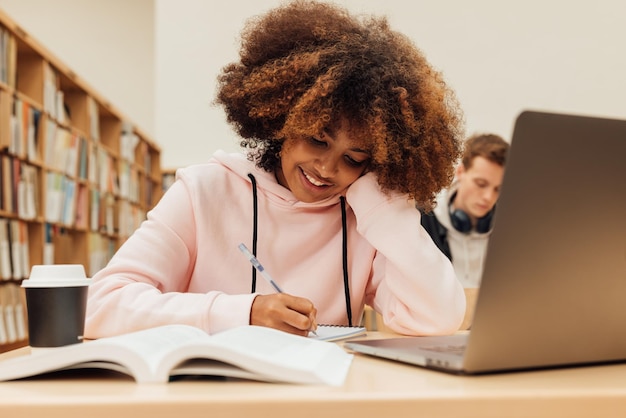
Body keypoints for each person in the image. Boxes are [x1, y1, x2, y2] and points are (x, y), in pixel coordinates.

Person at [84, 0, 466, 339]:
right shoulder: (204, 191)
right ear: (283, 119)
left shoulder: (363, 217)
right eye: (318, 138)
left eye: (354, 158)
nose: (326, 168)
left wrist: (383, 204)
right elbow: (99, 306)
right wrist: (242, 312)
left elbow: (437, 319)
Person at [419, 133, 509, 328]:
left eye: (497, 189)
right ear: (460, 172)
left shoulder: (509, 229)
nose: (488, 197)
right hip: (438, 331)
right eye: (481, 184)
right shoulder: (424, 219)